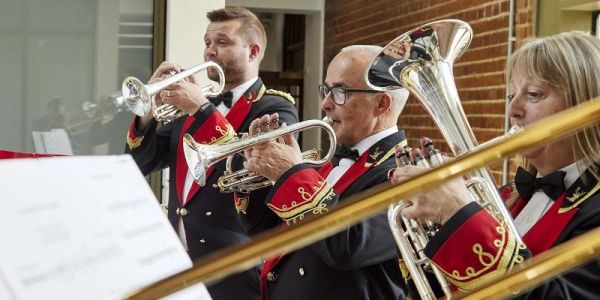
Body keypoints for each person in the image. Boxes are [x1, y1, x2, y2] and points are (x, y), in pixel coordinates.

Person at [390, 31, 600, 298]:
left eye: (534, 94)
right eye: (511, 95)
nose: (512, 109)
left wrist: (459, 214)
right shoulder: (506, 197)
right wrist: (427, 225)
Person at [124, 7, 298, 300]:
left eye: (222, 42)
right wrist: (148, 110)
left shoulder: (275, 108)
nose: (210, 52)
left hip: (234, 268)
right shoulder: (196, 103)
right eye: (207, 43)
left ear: (253, 51)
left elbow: (249, 169)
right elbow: (141, 162)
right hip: (177, 262)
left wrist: (201, 109)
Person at [244, 45, 410, 299]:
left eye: (340, 92)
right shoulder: (326, 161)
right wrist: (262, 176)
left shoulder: (405, 173)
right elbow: (266, 231)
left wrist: (291, 174)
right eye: (326, 90)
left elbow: (347, 246)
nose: (325, 103)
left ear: (381, 103)